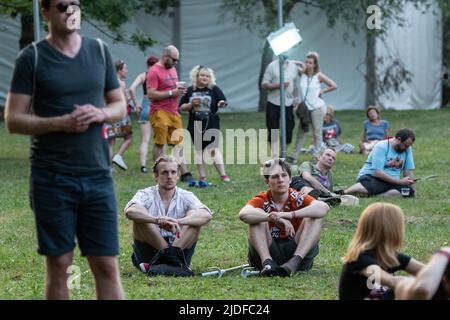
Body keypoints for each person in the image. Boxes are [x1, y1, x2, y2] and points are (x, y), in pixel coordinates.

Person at [4, 0, 125, 299]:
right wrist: (60, 123)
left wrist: (101, 114)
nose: (70, 11)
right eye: (61, 6)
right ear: (45, 12)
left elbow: (119, 105)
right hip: (52, 177)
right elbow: (13, 119)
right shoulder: (31, 57)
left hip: (98, 175)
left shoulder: (98, 51)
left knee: (106, 265)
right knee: (60, 263)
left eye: (76, 4)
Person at [239, 158, 329, 277]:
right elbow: (244, 214)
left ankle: (293, 263)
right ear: (267, 181)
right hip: (268, 252)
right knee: (257, 215)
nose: (280, 180)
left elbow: (323, 207)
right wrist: (273, 218)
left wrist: (288, 215)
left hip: (297, 253)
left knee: (314, 216)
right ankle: (267, 263)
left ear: (290, 179)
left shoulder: (297, 197)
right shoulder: (262, 198)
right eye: (275, 176)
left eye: (284, 175)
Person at [124, 155, 212, 274]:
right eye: (164, 172)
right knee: (140, 217)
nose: (169, 176)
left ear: (178, 175)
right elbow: (130, 211)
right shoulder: (146, 194)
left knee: (193, 215)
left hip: (179, 245)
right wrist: (157, 220)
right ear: (156, 175)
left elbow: (206, 215)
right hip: (150, 249)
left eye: (173, 172)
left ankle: (166, 260)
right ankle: (173, 262)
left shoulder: (186, 196)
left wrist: (178, 221)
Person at [339, 203, 423, 300]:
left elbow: (426, 271)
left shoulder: (388, 256)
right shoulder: (360, 259)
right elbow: (391, 281)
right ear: (391, 230)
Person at [147, 45, 195, 183]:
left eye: (177, 60)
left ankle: (185, 173)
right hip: (159, 112)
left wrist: (179, 91)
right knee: (160, 143)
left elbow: (173, 89)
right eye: (174, 59)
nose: (176, 63)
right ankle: (159, 173)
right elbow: (151, 94)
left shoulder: (172, 69)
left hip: (174, 112)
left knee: (178, 143)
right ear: (165, 56)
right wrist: (171, 93)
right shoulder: (153, 71)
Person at [179, 65, 230, 182]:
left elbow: (222, 101)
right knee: (199, 150)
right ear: (196, 76)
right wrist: (191, 104)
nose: (205, 77)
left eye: (207, 76)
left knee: (213, 149)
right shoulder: (190, 90)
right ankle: (202, 177)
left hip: (211, 121)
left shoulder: (214, 89)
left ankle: (223, 175)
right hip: (195, 122)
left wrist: (221, 103)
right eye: (202, 75)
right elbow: (182, 107)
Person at [287, 52, 337, 164]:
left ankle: (317, 156)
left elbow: (334, 85)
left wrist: (322, 91)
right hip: (305, 108)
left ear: (315, 64)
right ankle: (293, 156)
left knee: (317, 132)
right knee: (301, 132)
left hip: (317, 107)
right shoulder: (302, 74)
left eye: (310, 62)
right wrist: (300, 63)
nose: (308, 64)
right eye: (306, 62)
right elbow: (290, 63)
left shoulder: (318, 76)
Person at [343, 128, 416, 197]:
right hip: (372, 178)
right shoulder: (381, 146)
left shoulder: (407, 149)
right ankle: (344, 192)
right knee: (374, 184)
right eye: (405, 145)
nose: (406, 148)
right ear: (399, 139)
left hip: (392, 182)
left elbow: (408, 172)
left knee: (407, 191)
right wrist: (399, 182)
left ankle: (375, 195)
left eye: (408, 146)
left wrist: (413, 190)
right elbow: (377, 173)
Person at [261, 55, 299, 157]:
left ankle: (284, 151)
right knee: (273, 128)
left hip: (288, 103)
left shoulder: (294, 67)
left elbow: (295, 85)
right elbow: (264, 84)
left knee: (289, 127)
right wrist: (279, 85)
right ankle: (275, 155)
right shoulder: (272, 66)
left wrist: (296, 97)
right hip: (274, 102)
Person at [129, 55, 159, 174]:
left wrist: (136, 104)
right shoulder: (159, 75)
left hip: (145, 107)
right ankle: (158, 165)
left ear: (147, 65)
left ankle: (143, 167)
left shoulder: (143, 76)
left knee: (145, 140)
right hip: (157, 108)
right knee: (159, 140)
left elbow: (131, 89)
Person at [106, 59, 133, 170]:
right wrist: (129, 98)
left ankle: (109, 168)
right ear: (120, 70)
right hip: (121, 117)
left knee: (111, 141)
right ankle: (118, 156)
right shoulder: (121, 84)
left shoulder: (108, 82)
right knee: (129, 137)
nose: (126, 71)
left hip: (109, 115)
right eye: (125, 69)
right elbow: (124, 102)